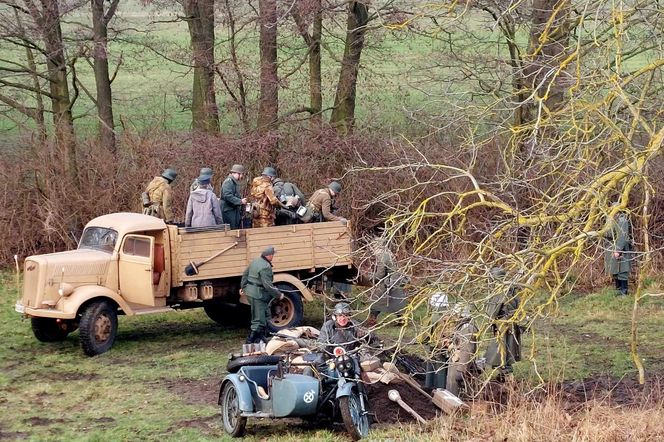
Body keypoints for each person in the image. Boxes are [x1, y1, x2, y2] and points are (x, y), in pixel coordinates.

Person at [483, 267, 522, 379]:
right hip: (510, 324)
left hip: (502, 324)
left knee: (501, 351)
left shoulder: (500, 290)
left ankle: (506, 376)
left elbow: (491, 311)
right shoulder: (511, 288)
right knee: (505, 351)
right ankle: (504, 374)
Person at [240, 246, 284, 344]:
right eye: (272, 255)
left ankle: (261, 338)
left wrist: (243, 287)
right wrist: (278, 295)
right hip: (258, 294)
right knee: (258, 319)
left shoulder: (256, 261)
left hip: (250, 292)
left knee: (263, 315)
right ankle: (250, 341)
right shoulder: (266, 266)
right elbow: (267, 285)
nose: (273, 257)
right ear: (269, 256)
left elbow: (245, 274)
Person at [366, 238, 409, 326]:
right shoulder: (388, 253)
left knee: (376, 300)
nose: (371, 248)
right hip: (395, 280)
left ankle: (372, 320)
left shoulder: (382, 256)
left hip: (391, 281)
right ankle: (402, 320)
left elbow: (380, 274)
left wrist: (369, 278)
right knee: (396, 301)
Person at [604, 208, 633, 296]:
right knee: (614, 269)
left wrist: (618, 249)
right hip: (611, 246)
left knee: (622, 270)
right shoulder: (610, 219)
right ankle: (618, 289)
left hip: (620, 248)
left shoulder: (622, 220)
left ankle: (624, 291)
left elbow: (622, 236)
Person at [220, 164, 247, 229]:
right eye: (240, 174)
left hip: (232, 210)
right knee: (230, 229)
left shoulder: (233, 182)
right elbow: (227, 196)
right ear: (236, 173)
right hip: (228, 210)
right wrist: (240, 201)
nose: (241, 176)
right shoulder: (228, 182)